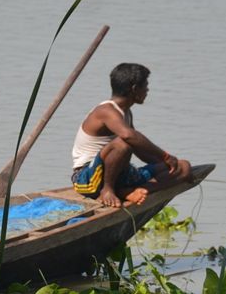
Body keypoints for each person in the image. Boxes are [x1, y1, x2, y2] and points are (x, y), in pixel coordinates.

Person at [70, 63, 192, 207]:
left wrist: (167, 165)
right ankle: (108, 190)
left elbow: (139, 150)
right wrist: (165, 156)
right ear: (134, 89)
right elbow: (129, 136)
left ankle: (132, 190)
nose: (147, 90)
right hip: (88, 177)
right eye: (145, 86)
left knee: (183, 166)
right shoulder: (106, 111)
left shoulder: (126, 113)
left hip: (120, 174)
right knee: (122, 144)